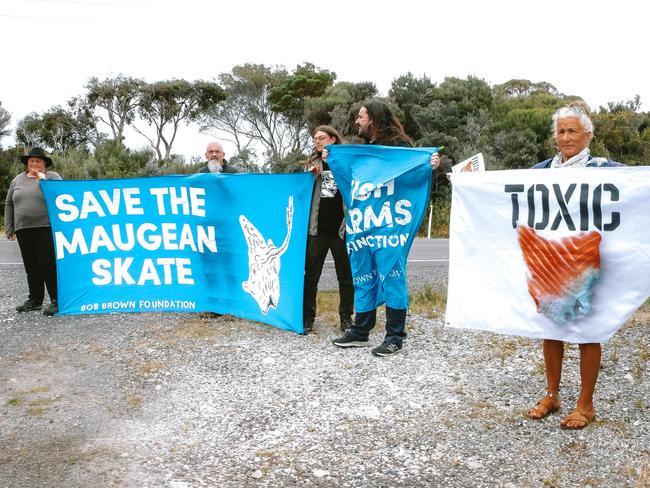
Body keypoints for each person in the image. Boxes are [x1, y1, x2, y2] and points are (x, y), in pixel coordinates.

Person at [526, 101, 623, 430]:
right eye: (561, 131)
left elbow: (638, 192)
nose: (566, 137)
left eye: (572, 131)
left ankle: (586, 403)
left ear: (588, 134)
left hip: (585, 264)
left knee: (587, 331)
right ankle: (552, 394)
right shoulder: (541, 172)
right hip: (551, 261)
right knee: (550, 328)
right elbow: (502, 193)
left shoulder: (606, 169)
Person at [331, 100, 440, 356]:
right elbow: (349, 174)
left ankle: (395, 336)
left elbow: (414, 174)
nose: (357, 122)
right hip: (364, 224)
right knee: (363, 275)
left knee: (392, 276)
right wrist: (333, 158)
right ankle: (360, 331)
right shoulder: (365, 150)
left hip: (390, 225)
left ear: (374, 119)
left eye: (361, 117)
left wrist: (429, 165)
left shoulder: (400, 146)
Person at [303, 125, 354, 334]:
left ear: (333, 139)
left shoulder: (346, 160)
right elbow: (301, 190)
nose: (317, 141)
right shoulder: (311, 161)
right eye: (315, 138)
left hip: (341, 230)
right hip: (317, 230)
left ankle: (346, 319)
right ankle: (307, 319)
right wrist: (307, 177)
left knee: (346, 276)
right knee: (310, 276)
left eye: (322, 138)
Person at [4, 147, 62, 316]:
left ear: (44, 163)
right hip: (23, 229)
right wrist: (9, 227)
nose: (34, 163)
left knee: (48, 265)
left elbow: (61, 195)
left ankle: (56, 300)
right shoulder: (17, 180)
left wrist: (43, 181)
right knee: (31, 266)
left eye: (38, 161)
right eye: (32, 161)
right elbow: (9, 203)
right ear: (27, 163)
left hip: (45, 227)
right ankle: (35, 300)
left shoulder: (52, 177)